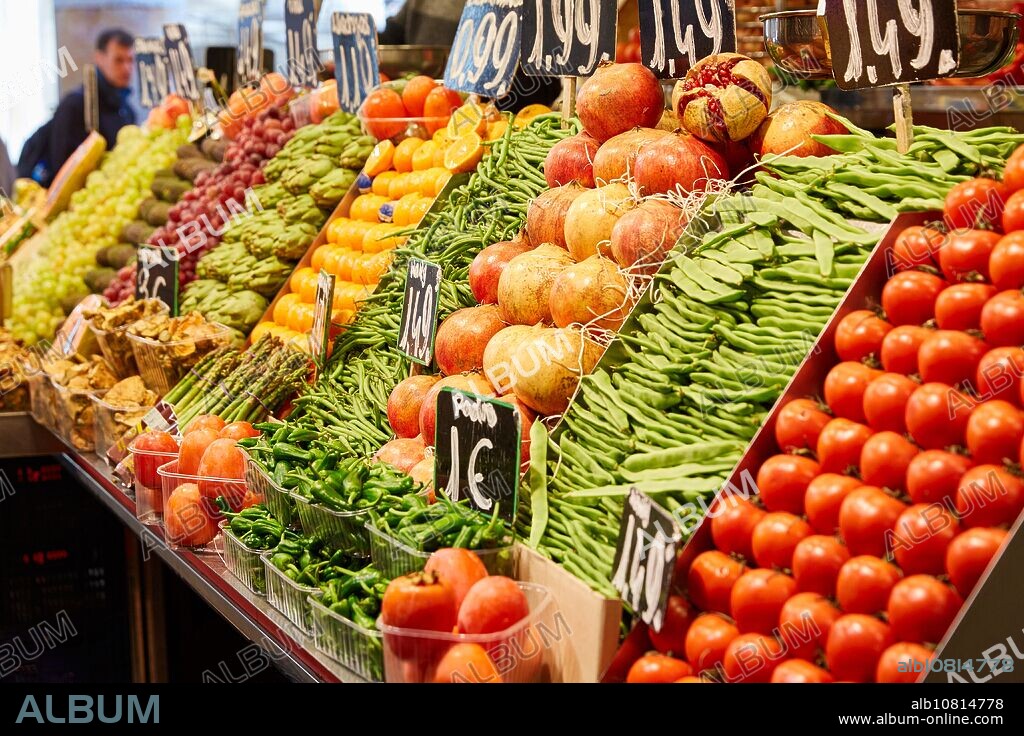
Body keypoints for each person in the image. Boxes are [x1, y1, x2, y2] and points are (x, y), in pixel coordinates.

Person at [379, 0, 560, 112]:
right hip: (425, 120)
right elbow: (393, 36)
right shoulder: (423, 2)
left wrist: (493, 100)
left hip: (504, 126)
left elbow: (547, 78)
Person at [17, 29, 137, 186]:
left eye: (130, 60)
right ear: (99, 58)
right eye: (119, 60)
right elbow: (61, 167)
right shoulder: (74, 105)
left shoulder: (127, 110)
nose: (127, 68)